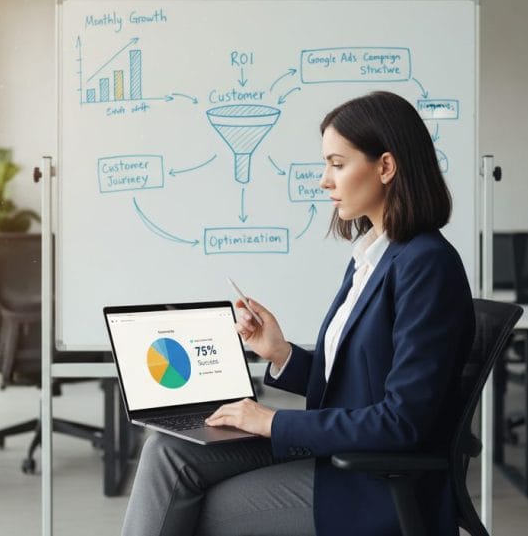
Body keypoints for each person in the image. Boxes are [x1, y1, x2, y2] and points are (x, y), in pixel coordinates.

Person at [121, 91, 475, 536]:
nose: (325, 181)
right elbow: (354, 385)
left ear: (385, 167)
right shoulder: (372, 256)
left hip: (371, 481)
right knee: (166, 450)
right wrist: (281, 352)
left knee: (192, 507)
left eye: (338, 164)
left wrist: (271, 420)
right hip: (340, 453)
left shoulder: (427, 264)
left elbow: (401, 422)